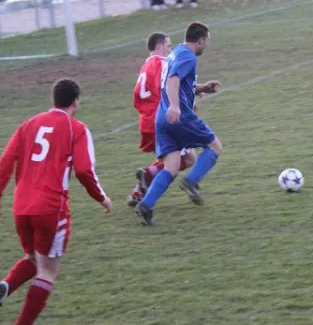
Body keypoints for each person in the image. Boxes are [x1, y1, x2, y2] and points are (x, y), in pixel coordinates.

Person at [0, 78, 112, 324]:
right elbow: (84, 170)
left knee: (34, 259)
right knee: (47, 271)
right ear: (76, 102)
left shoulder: (28, 124)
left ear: (53, 100)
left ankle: (6, 285)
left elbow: (5, 162)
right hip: (51, 209)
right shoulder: (77, 128)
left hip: (21, 207)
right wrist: (101, 197)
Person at [134, 22, 223, 226]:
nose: (207, 45)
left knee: (171, 167)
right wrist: (175, 106)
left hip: (161, 119)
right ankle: (191, 182)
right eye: (206, 41)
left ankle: (145, 206)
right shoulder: (188, 56)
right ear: (200, 40)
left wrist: (203, 88)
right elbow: (173, 79)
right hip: (179, 116)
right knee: (215, 146)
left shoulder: (176, 53)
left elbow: (179, 82)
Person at [127, 32, 199, 208]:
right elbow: (175, 84)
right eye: (168, 45)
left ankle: (137, 192)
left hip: (146, 122)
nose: (170, 49)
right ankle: (149, 178)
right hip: (163, 120)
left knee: (169, 158)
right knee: (188, 158)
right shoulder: (162, 63)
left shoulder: (146, 67)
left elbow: (138, 98)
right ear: (159, 46)